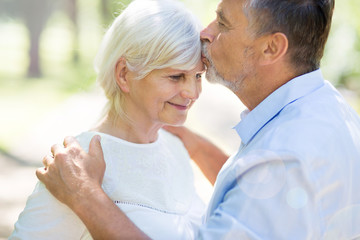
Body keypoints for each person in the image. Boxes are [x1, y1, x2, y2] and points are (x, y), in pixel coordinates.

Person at [36, 0, 360, 239]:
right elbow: (261, 194)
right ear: (125, 74)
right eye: (176, 76)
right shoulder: (328, 108)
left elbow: (273, 181)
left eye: (223, 22)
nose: (206, 32)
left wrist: (84, 195)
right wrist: (190, 142)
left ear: (271, 48)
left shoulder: (286, 157)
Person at [10, 0, 211, 239]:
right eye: (176, 76)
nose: (193, 92)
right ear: (124, 74)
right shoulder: (75, 165)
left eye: (198, 75)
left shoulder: (175, 149)